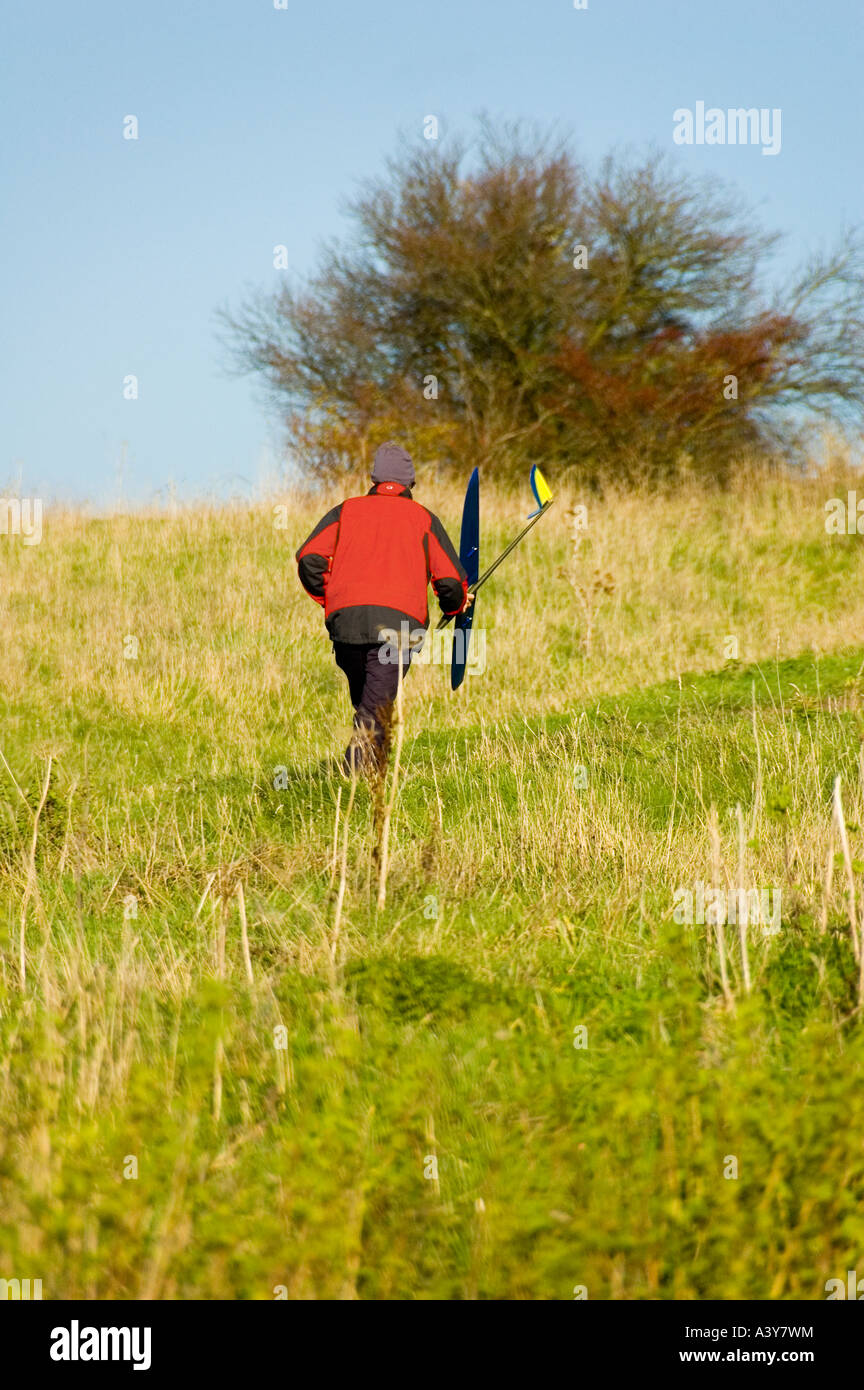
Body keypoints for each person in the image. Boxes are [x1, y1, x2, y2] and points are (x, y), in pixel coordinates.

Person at [296, 442, 471, 773]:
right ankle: (350, 779)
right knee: (375, 709)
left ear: (374, 479)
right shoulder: (422, 518)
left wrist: (330, 597)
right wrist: (457, 605)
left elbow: (309, 558)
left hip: (345, 624)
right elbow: (449, 581)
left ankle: (372, 778)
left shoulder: (345, 510)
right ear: (410, 484)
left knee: (369, 704)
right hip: (399, 628)